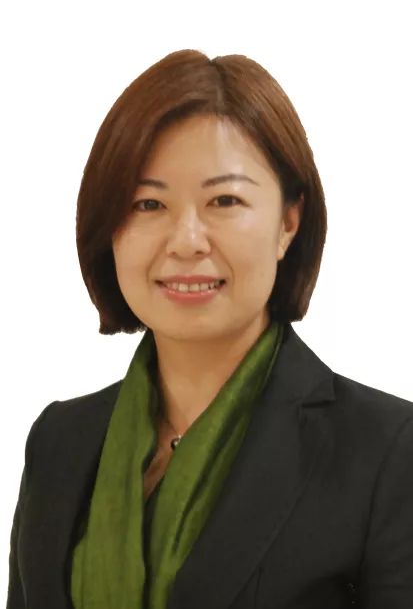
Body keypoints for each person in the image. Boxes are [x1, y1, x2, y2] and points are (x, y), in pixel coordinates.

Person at [7, 48, 413, 609]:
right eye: (148, 204)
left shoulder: (389, 453)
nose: (186, 241)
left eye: (224, 200)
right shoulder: (58, 440)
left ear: (288, 222)